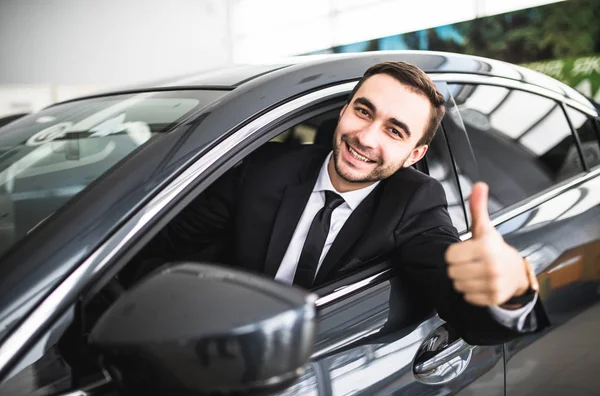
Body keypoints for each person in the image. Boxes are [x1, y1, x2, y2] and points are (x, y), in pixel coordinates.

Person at [127, 61, 548, 345]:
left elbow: (461, 303)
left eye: (395, 131)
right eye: (363, 111)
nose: (366, 138)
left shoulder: (415, 201)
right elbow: (162, 252)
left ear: (415, 156)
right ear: (345, 110)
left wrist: (511, 293)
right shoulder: (261, 168)